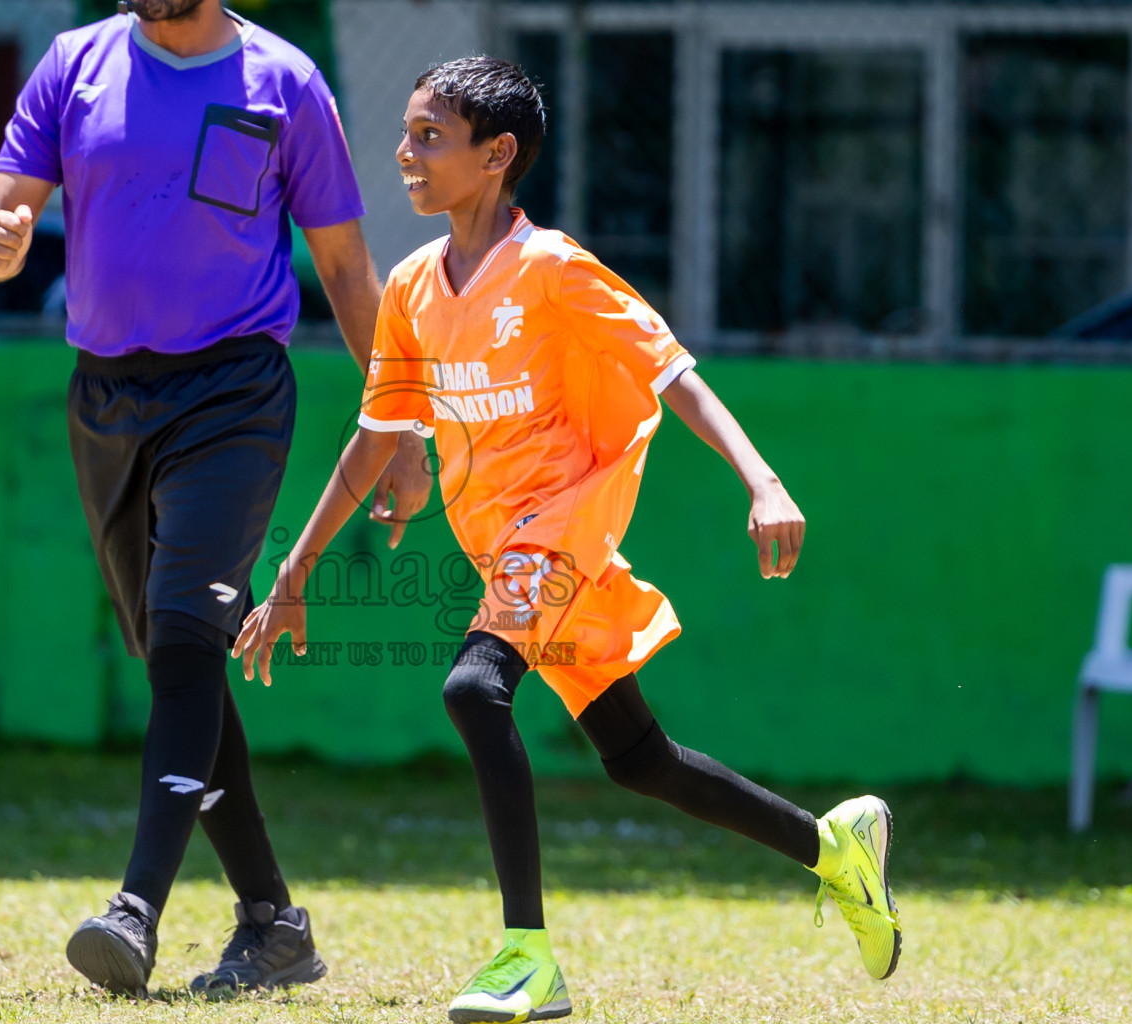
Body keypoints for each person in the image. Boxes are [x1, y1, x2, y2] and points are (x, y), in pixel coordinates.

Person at [233, 57, 902, 1023]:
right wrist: (294, 573)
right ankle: (835, 850)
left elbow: (670, 370)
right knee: (639, 758)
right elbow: (380, 432)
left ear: (496, 155)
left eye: (430, 135)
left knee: (473, 687)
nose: (405, 152)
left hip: (561, 530)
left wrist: (762, 480)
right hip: (501, 543)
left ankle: (527, 959)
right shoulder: (416, 285)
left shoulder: (551, 267)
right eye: (409, 131)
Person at [0, 0, 430, 1000]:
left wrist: (399, 425)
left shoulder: (286, 82)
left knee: (185, 641)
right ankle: (273, 922)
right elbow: (1, 211)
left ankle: (136, 908)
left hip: (233, 391)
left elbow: (347, 267)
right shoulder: (71, 65)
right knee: (180, 665)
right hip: (104, 398)